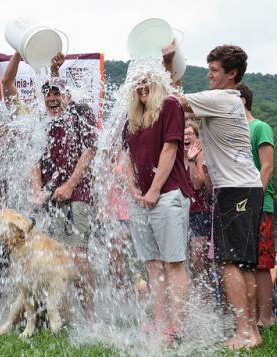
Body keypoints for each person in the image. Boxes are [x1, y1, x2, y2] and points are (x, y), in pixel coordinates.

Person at [169, 45, 264, 349]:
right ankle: (251, 331)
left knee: (228, 262)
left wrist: (168, 64)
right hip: (246, 188)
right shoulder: (229, 100)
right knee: (244, 263)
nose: (208, 74)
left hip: (234, 190)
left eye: (213, 70)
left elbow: (174, 102)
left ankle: (244, 332)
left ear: (231, 74)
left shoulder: (221, 98)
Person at [123, 73, 192, 342]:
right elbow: (125, 154)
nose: (142, 85)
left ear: (158, 81)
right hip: (140, 198)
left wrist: (153, 190)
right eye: (137, 81)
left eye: (147, 79)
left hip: (168, 195)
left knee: (173, 263)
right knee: (152, 264)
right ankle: (159, 321)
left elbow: (170, 149)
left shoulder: (170, 105)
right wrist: (132, 188)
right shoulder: (131, 117)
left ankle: (176, 327)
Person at [30, 54, 98, 317]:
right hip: (49, 199)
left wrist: (70, 185)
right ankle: (61, 313)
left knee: (77, 255)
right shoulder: (41, 120)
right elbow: (33, 158)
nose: (51, 98)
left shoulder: (81, 112)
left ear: (67, 94)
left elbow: (90, 150)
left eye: (56, 93)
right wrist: (37, 190)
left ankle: (90, 316)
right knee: (54, 257)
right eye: (47, 94)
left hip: (77, 195)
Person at [236, 83, 275, 329]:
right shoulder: (233, 131)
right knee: (245, 262)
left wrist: (255, 200)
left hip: (260, 204)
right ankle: (250, 319)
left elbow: (267, 167)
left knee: (262, 263)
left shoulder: (260, 127)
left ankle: (267, 320)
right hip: (237, 204)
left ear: (243, 101)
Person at [183, 122, 212, 288]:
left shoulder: (200, 155)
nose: (186, 137)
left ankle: (205, 298)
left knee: (198, 259)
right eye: (184, 134)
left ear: (197, 137)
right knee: (185, 259)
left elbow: (197, 184)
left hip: (200, 212)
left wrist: (192, 161)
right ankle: (192, 297)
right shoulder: (177, 154)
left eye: (190, 134)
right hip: (182, 212)